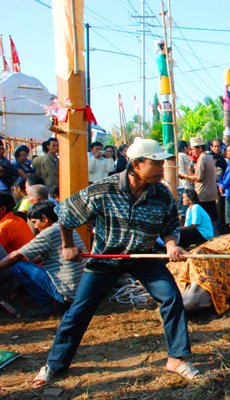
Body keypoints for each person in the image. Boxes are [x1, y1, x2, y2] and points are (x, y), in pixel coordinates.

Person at [31, 137, 200, 388]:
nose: (161, 168)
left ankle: (176, 358)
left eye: (162, 163)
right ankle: (54, 366)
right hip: (107, 258)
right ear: (135, 164)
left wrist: (172, 244)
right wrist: (67, 246)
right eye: (155, 163)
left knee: (171, 297)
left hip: (143, 256)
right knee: (79, 310)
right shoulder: (103, 190)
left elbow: (171, 225)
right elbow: (65, 213)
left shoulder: (162, 193)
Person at [0, 201, 86, 317]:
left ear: (44, 218)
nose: (35, 227)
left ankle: (47, 305)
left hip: (68, 292)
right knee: (25, 265)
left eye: (35, 222)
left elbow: (16, 255)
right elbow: (40, 256)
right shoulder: (66, 229)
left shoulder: (49, 233)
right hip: (82, 290)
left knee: (19, 266)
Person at [181, 137, 219, 232]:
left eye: (193, 149)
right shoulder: (209, 157)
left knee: (200, 220)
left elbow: (198, 177)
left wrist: (185, 176)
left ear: (200, 148)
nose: (192, 151)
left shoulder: (202, 158)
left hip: (202, 195)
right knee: (212, 218)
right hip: (211, 194)